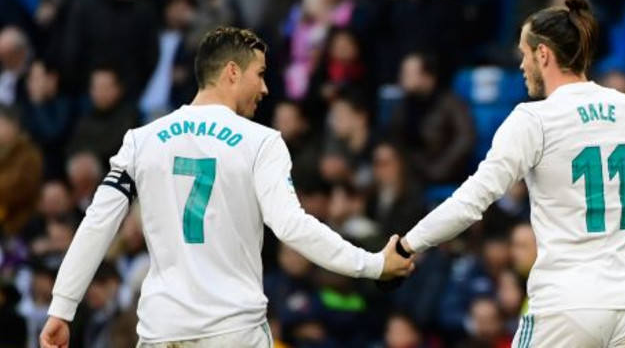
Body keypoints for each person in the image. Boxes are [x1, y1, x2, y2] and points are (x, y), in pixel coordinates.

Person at [39, 27, 414, 348]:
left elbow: (97, 223)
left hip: (162, 331)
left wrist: (61, 309)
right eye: (260, 74)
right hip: (233, 329)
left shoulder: (141, 141)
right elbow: (291, 226)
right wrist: (373, 264)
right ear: (232, 72)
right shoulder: (261, 142)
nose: (265, 88)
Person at [399, 0, 625, 347]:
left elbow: (470, 201)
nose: (521, 65)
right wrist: (620, 216)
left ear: (543, 54)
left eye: (524, 53)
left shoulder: (535, 120)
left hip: (567, 305)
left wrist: (406, 246)